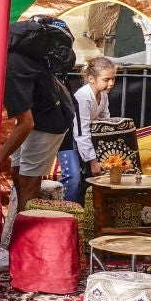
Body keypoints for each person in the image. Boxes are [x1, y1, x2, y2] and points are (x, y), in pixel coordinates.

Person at [0, 21, 74, 222]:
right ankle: (17, 227)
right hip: (43, 110)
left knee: (27, 180)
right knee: (17, 173)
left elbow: (26, 123)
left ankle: (25, 241)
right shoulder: (8, 59)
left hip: (51, 118)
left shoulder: (10, 67)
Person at [63, 55, 118, 204]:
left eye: (113, 79)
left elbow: (105, 123)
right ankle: (69, 210)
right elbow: (81, 132)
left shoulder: (103, 96)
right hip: (69, 141)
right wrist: (93, 161)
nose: (111, 83)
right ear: (91, 79)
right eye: (106, 80)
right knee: (73, 178)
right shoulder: (83, 97)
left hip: (86, 141)